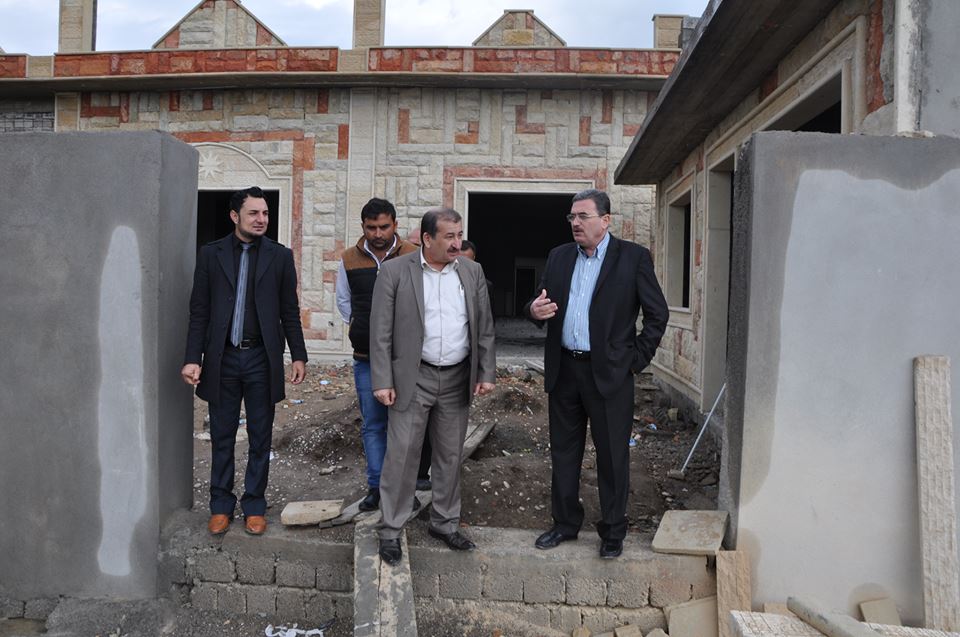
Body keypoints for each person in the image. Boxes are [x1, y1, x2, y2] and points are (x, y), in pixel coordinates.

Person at [525, 189, 668, 559]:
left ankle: (613, 531)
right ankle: (564, 524)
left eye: (583, 216)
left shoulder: (633, 258)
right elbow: (539, 302)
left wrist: (634, 360)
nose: (575, 223)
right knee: (564, 453)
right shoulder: (559, 257)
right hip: (564, 370)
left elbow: (657, 314)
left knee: (612, 456)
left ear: (605, 220)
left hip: (610, 374)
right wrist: (533, 311)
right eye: (571, 217)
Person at [370, 207, 496, 565]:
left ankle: (444, 522)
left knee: (450, 454)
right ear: (427, 238)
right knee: (402, 455)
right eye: (449, 236)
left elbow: (484, 327)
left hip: (457, 377)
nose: (457, 243)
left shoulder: (471, 271)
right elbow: (380, 331)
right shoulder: (395, 272)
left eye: (459, 235)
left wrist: (486, 372)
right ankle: (391, 529)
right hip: (413, 377)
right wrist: (382, 380)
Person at [182, 186, 308, 536]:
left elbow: (289, 310)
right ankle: (221, 505)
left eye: (265, 213)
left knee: (260, 436)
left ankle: (254, 504)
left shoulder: (280, 257)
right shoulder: (211, 255)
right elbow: (199, 311)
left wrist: (298, 354)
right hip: (222, 358)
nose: (261, 219)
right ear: (235, 216)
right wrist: (193, 358)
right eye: (254, 213)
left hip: (260, 359)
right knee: (222, 435)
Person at [335, 198, 417, 511]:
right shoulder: (349, 259)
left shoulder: (413, 255)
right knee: (373, 424)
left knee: (405, 426)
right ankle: (376, 488)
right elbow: (344, 301)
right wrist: (361, 326)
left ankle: (402, 489)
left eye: (384, 227)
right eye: (372, 228)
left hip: (406, 359)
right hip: (366, 357)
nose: (378, 234)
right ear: (363, 227)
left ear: (395, 224)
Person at [459, 239, 495, 317]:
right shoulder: (446, 282)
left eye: (468, 262)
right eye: (461, 261)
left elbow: (489, 317)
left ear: (474, 259)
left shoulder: (486, 286)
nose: (464, 265)